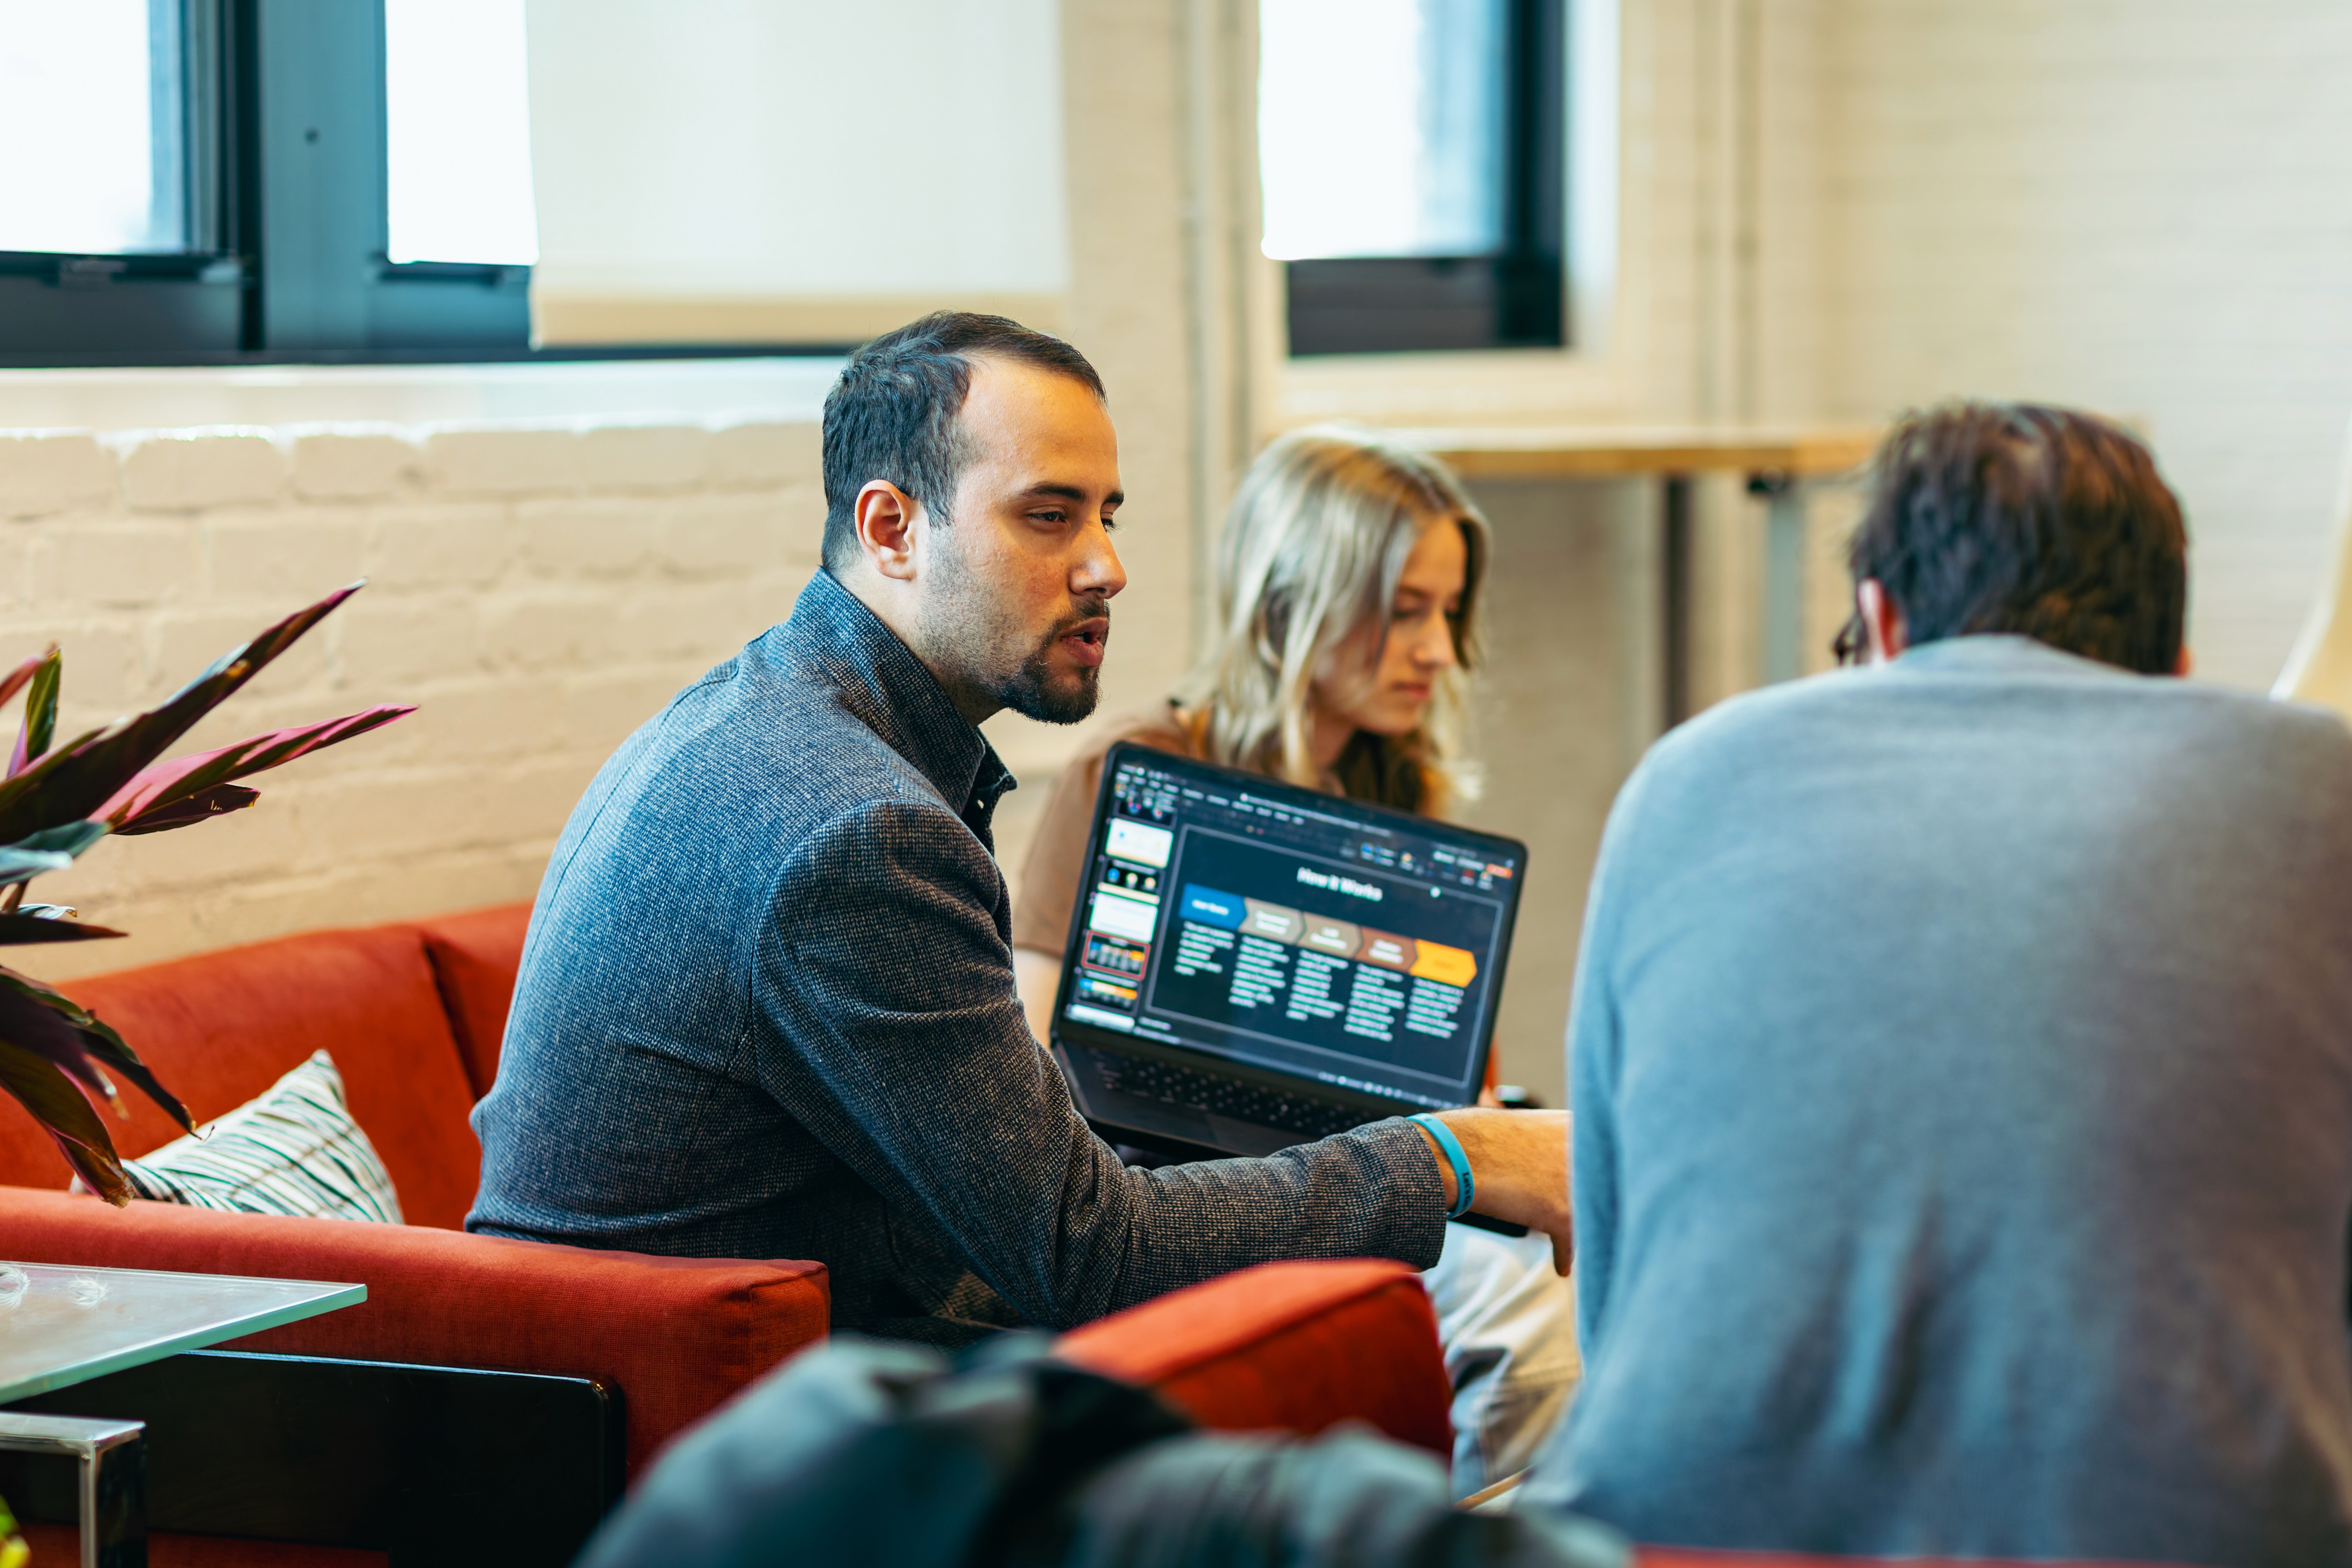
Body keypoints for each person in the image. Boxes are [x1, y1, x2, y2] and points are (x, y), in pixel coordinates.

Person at [467, 312, 1570, 1348]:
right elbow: (1092, 1256)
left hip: (643, 1379)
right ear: (891, 528)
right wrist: (1454, 1154)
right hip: (714, 1428)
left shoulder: (755, 716)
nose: (1108, 567)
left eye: (1109, 515)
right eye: (1050, 515)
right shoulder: (859, 832)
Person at [1520, 402, 2352, 1565]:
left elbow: (1617, 1292)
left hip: (1688, 1533)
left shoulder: (1686, 780)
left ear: (1882, 620)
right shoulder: (2321, 790)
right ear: (2177, 666)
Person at [1012, 426, 1579, 1495]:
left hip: (1381, 1176)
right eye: (1404, 609)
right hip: (1172, 1187)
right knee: (1525, 1318)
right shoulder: (1139, 767)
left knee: (1554, 1298)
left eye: (1448, 612)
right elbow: (1044, 1054)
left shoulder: (1398, 793)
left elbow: (1463, 1078)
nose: (1438, 651)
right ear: (1290, 601)